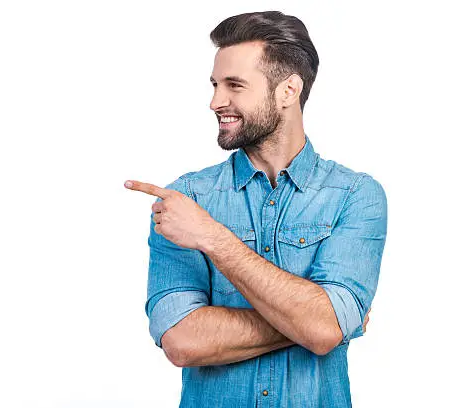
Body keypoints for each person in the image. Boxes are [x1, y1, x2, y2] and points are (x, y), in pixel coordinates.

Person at [124, 10, 388, 408]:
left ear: (288, 90)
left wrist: (212, 238)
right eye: (215, 84)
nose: (215, 101)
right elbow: (182, 341)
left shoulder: (355, 196)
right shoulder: (185, 200)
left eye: (234, 85)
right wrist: (319, 322)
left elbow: (323, 328)